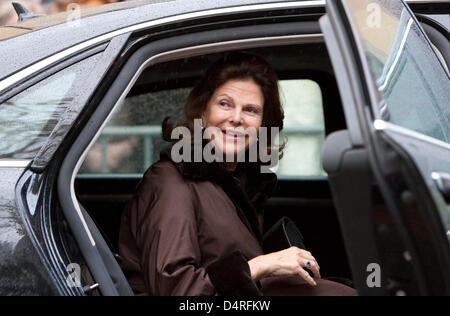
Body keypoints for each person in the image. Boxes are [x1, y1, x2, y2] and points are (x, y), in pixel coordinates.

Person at [118, 51, 356, 296]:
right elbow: (177, 290)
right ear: (202, 113)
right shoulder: (171, 179)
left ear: (263, 125)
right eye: (225, 104)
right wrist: (260, 265)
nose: (236, 118)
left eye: (250, 110)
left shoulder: (237, 181)